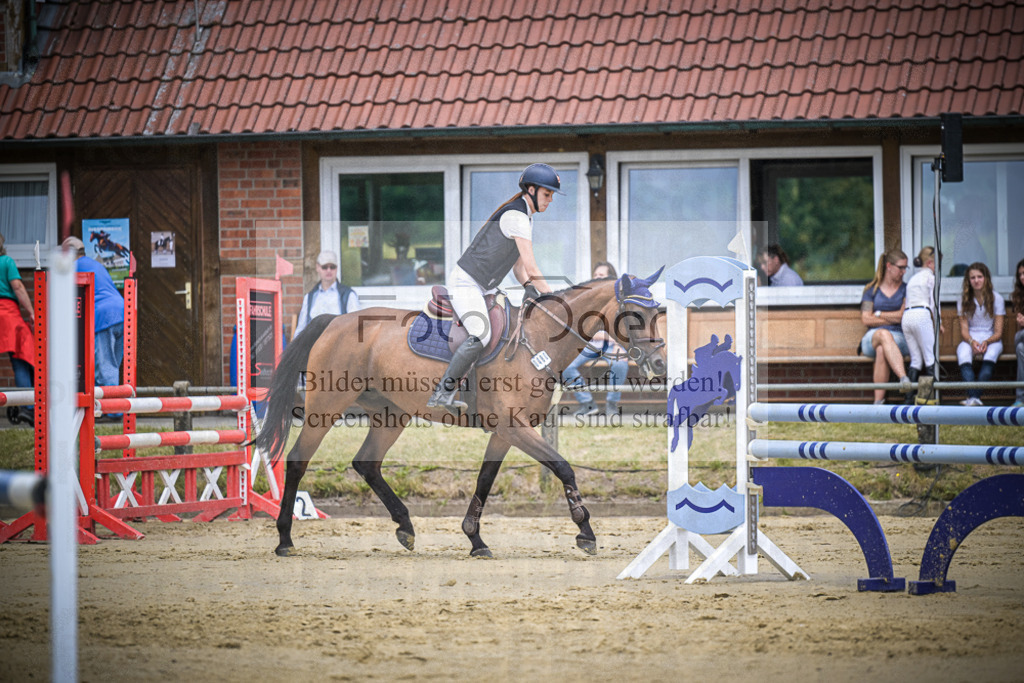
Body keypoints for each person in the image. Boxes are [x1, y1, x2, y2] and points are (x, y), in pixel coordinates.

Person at [427, 163, 562, 413]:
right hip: (466, 283)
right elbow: (532, 268)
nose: (550, 199)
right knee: (481, 334)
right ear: (531, 190)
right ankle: (442, 393)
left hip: (482, 287)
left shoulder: (526, 217)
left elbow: (520, 269)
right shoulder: (517, 217)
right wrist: (553, 298)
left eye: (552, 195)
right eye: (547, 194)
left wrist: (529, 288)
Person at [562, 262, 629, 418]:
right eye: (596, 275)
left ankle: (612, 404)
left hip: (612, 345)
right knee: (566, 366)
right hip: (588, 345)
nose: (597, 277)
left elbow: (624, 328)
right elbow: (582, 328)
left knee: (620, 363)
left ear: (611, 277)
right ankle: (587, 404)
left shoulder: (620, 302)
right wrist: (605, 336)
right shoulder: (588, 299)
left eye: (601, 275)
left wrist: (618, 343)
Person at [64, 236, 125, 393]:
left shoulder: (74, 267)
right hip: (123, 314)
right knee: (113, 365)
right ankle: (107, 408)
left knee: (105, 368)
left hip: (104, 317)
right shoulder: (95, 265)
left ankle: (112, 412)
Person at [859, 248, 911, 404]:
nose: (903, 271)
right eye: (900, 267)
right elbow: (866, 320)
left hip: (900, 339)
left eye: (905, 268)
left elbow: (903, 316)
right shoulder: (871, 289)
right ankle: (903, 378)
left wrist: (879, 314)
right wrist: (892, 317)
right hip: (872, 338)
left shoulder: (907, 289)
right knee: (883, 335)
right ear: (889, 266)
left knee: (882, 349)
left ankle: (878, 403)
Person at [956, 262, 1005, 406]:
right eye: (972, 278)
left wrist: (987, 342)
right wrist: (972, 342)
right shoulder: (963, 300)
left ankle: (973, 398)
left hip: (991, 338)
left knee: (991, 354)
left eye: (980, 277)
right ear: (968, 281)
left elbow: (998, 332)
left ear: (986, 278)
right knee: (962, 353)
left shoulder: (997, 298)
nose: (976, 281)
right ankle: (975, 398)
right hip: (971, 337)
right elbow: (964, 330)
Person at [901, 246, 943, 404]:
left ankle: (908, 399)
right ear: (931, 262)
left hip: (907, 317)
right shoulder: (930, 277)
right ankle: (931, 397)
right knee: (930, 358)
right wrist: (939, 322)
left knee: (916, 360)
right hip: (922, 314)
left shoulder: (912, 279)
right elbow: (934, 302)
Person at [0, 232, 35, 425]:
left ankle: (27, 403)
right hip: (8, 313)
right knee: (22, 357)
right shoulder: (6, 262)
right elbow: (19, 287)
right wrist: (31, 312)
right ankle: (28, 407)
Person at [293, 250, 360, 339]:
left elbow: (356, 326)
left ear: (337, 268)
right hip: (313, 345)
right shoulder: (309, 297)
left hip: (338, 344)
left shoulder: (348, 295)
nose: (329, 270)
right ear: (317, 267)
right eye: (324, 267)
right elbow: (300, 329)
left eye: (332, 267)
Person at [1013, 257, 1024, 408]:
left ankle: (1021, 398)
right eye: (1020, 274)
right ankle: (1021, 399)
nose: (1022, 277)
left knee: (1018, 337)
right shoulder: (1020, 296)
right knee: (1021, 348)